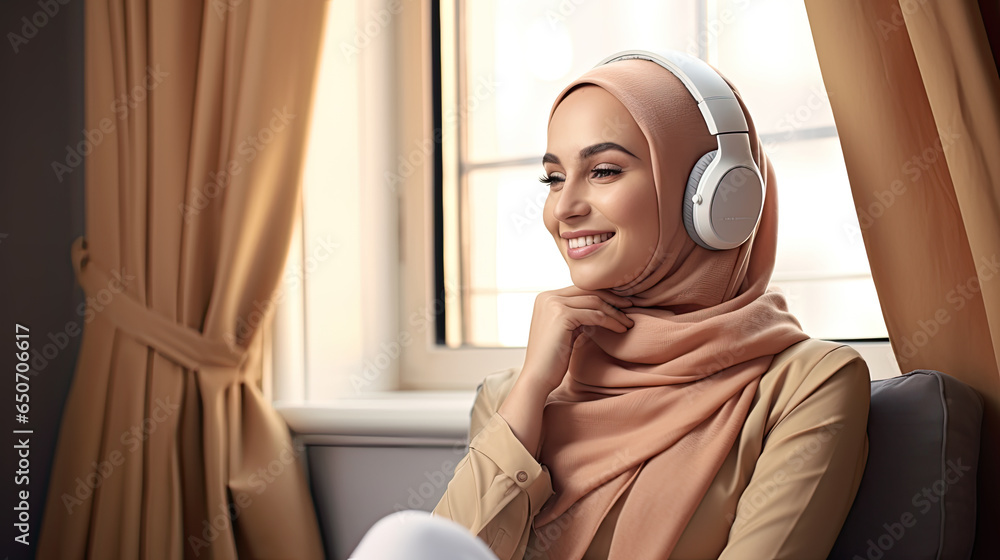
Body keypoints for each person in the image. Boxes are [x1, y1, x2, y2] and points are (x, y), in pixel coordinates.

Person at [352, 51, 870, 560]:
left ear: (715, 196)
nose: (565, 208)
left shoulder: (806, 385)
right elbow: (464, 550)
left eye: (602, 170)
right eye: (553, 178)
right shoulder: (513, 395)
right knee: (408, 539)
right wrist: (533, 388)